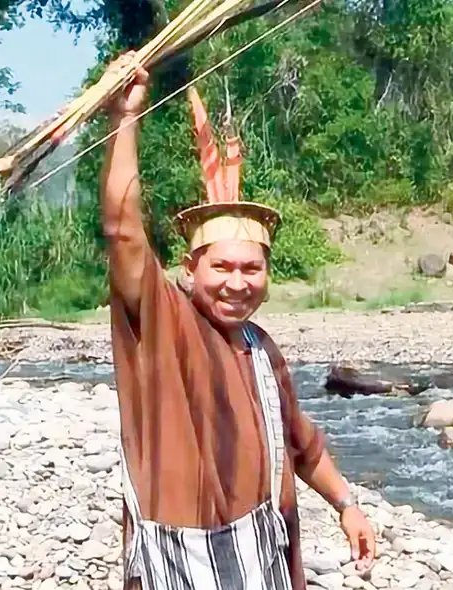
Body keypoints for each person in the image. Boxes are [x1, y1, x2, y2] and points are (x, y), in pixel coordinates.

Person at [100, 51, 376, 590]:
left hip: (263, 561)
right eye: (221, 265)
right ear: (190, 268)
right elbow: (124, 231)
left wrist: (347, 505)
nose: (236, 281)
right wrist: (124, 120)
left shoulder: (261, 347)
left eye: (251, 268)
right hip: (180, 563)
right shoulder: (164, 320)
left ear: (268, 274)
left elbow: (301, 445)